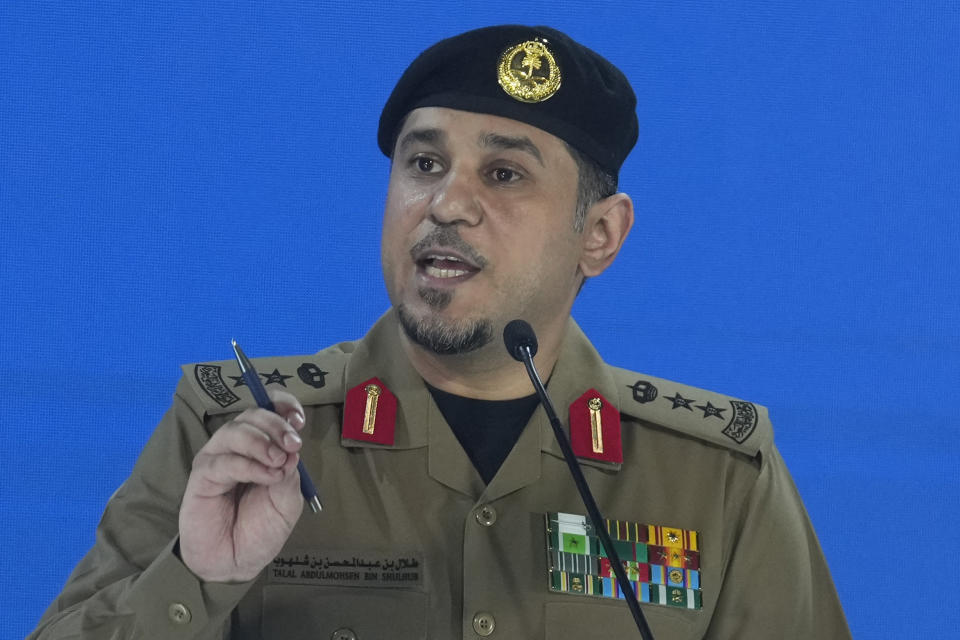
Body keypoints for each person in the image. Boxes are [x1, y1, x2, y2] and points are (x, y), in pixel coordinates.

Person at [30, 25, 851, 639]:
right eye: (424, 164)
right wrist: (197, 580)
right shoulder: (237, 434)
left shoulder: (714, 477)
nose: (448, 204)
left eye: (504, 174)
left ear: (599, 235)